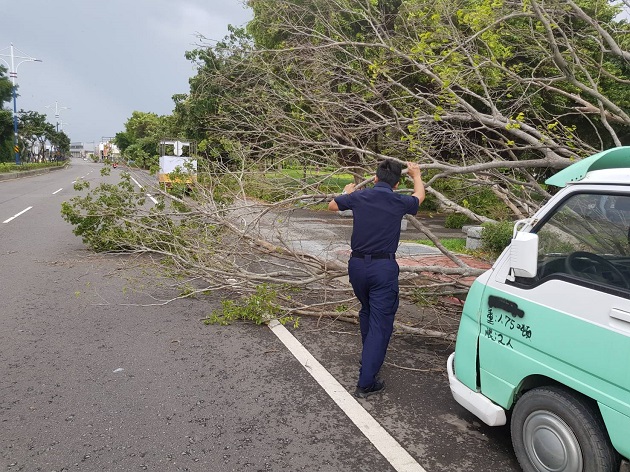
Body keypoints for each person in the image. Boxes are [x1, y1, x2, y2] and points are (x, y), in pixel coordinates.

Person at [329, 160, 425, 398]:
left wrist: (346, 193)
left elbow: (332, 205)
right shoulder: (398, 200)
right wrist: (417, 175)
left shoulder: (360, 197)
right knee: (380, 323)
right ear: (397, 183)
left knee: (367, 311)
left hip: (357, 267)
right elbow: (419, 197)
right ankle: (366, 382)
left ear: (374, 178)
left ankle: (369, 358)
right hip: (383, 268)